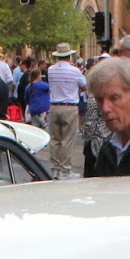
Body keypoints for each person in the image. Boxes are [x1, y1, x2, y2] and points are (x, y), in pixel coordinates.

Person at [46, 43, 85, 178]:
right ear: (70, 56)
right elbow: (84, 85)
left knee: (55, 139)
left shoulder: (51, 70)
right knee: (67, 139)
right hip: (69, 106)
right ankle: (65, 169)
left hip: (54, 106)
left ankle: (55, 167)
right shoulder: (74, 71)